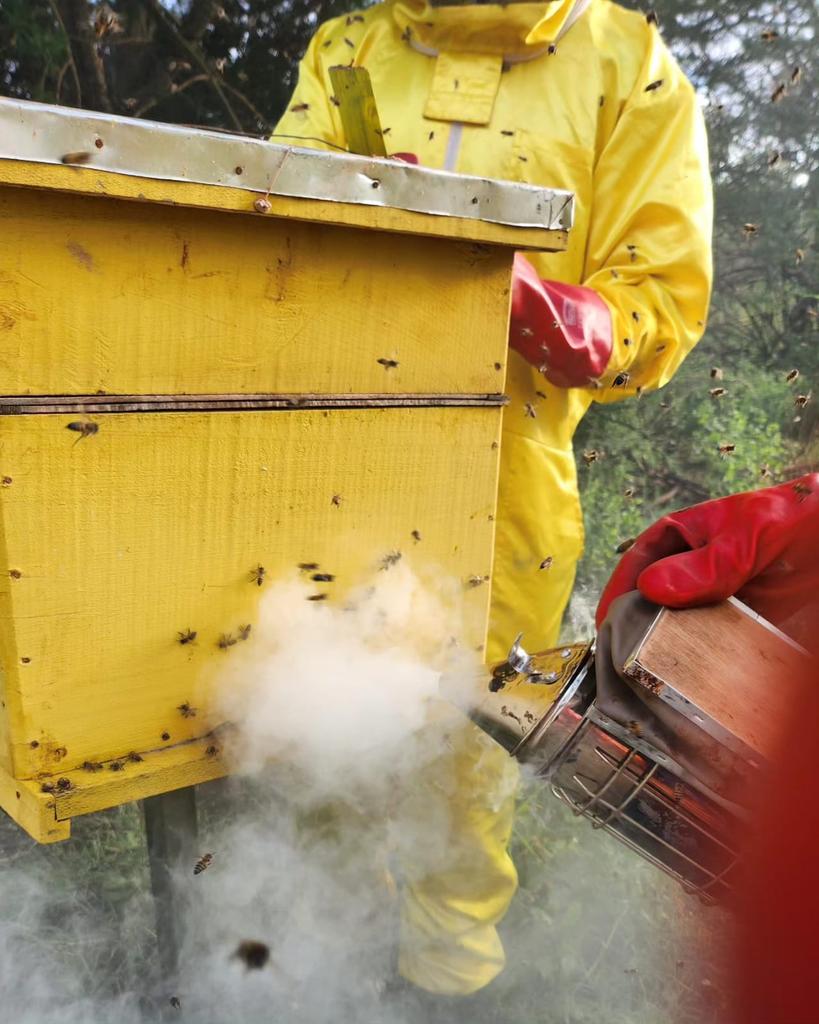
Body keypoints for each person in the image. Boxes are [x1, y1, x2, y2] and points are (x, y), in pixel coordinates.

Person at [276, 0, 713, 997]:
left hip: (509, 475)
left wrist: (538, 305)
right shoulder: (352, 46)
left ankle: (448, 979)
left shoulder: (625, 61)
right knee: (316, 714)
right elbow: (274, 210)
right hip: (326, 444)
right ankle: (330, 964)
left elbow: (657, 295)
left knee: (469, 746)